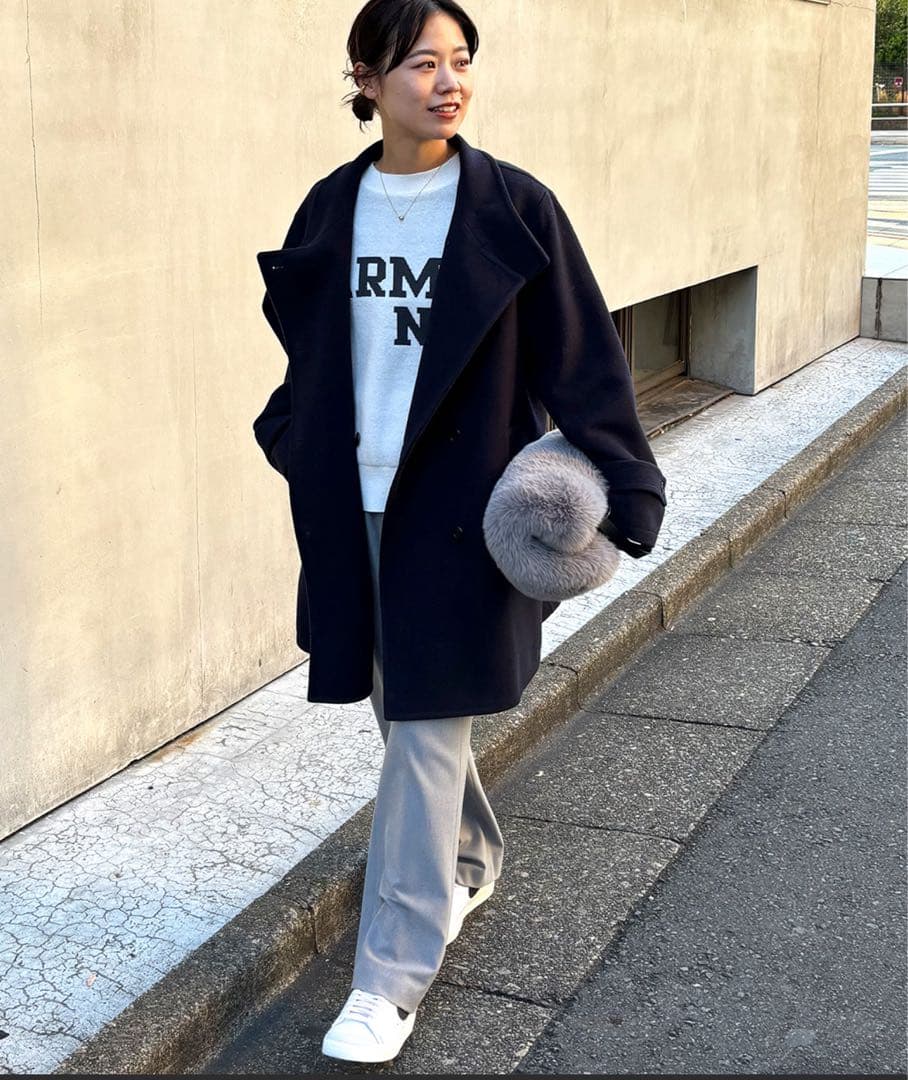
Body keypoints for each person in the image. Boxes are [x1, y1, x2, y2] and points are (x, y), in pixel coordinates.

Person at [252, 0, 667, 1064]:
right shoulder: (331, 207)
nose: (449, 82)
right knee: (403, 712)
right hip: (353, 507)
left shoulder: (513, 207)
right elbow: (311, 349)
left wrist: (626, 482)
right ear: (366, 77)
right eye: (423, 63)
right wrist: (289, 432)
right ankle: (470, 861)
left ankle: (388, 977)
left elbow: (582, 355)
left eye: (461, 60)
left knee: (428, 724)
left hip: (456, 515)